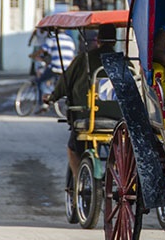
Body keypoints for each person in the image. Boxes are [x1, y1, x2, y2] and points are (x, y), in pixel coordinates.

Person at [45, 24, 117, 178]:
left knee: (73, 148)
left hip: (88, 118)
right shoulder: (124, 63)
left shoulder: (83, 60)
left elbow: (63, 85)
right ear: (115, 41)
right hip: (119, 121)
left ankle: (79, 181)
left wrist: (51, 98)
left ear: (98, 40)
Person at [30, 30, 76, 112]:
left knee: (40, 81)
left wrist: (33, 55)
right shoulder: (70, 40)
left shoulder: (53, 39)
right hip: (66, 68)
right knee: (59, 84)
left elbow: (43, 50)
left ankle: (44, 104)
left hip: (56, 66)